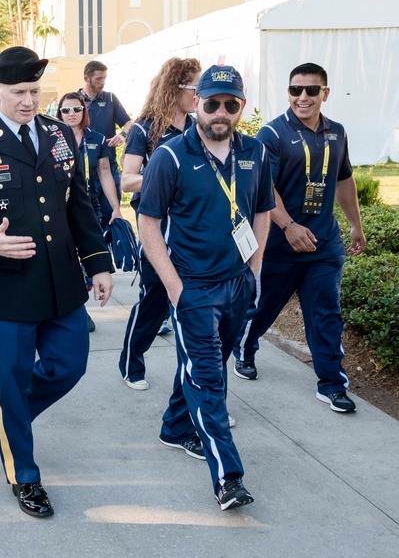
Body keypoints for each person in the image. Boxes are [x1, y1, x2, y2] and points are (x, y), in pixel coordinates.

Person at [0, 47, 115, 518]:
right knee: (12, 383)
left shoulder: (60, 136)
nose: (28, 101)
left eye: (36, 92)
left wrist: (98, 262)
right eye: (20, 92)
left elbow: (78, 203)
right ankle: (25, 475)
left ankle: (10, 417)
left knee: (69, 365)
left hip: (61, 282)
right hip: (7, 288)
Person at [137, 64, 274, 511]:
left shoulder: (255, 152)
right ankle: (228, 476)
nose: (220, 112)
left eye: (230, 104)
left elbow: (261, 212)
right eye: (211, 102)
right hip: (193, 288)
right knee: (210, 378)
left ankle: (175, 427)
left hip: (238, 284)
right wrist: (175, 289)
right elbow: (148, 224)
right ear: (196, 103)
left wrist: (254, 271)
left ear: (241, 107)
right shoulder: (170, 156)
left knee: (198, 370)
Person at [232, 63, 366, 414]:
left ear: (325, 93)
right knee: (262, 309)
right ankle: (244, 347)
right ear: (288, 92)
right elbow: (264, 188)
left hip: (323, 245)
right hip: (278, 246)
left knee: (326, 314)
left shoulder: (336, 132)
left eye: (311, 90)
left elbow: (343, 180)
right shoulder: (271, 135)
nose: (302, 97)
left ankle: (332, 383)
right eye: (295, 90)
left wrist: (356, 224)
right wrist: (288, 225)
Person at [118, 57, 202, 391]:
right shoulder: (144, 129)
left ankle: (199, 385)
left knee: (192, 305)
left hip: (191, 228)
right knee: (154, 300)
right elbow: (127, 181)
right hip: (156, 227)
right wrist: (167, 176)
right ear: (176, 88)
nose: (199, 96)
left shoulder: (198, 127)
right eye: (195, 88)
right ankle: (131, 362)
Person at [57, 91, 123, 333]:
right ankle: (77, 309)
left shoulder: (96, 139)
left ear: (84, 111)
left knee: (88, 257)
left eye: (76, 109)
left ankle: (79, 306)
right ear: (59, 113)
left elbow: (105, 174)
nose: (71, 114)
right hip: (60, 207)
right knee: (67, 258)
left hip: (89, 206)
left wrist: (115, 207)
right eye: (66, 110)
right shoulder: (52, 139)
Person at [79, 60, 133, 222]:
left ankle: (113, 247)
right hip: (84, 170)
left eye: (104, 78)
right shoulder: (75, 102)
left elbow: (129, 122)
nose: (102, 83)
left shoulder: (110, 99)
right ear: (86, 78)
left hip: (109, 166)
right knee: (88, 220)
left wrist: (122, 135)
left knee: (113, 216)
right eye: (98, 79)